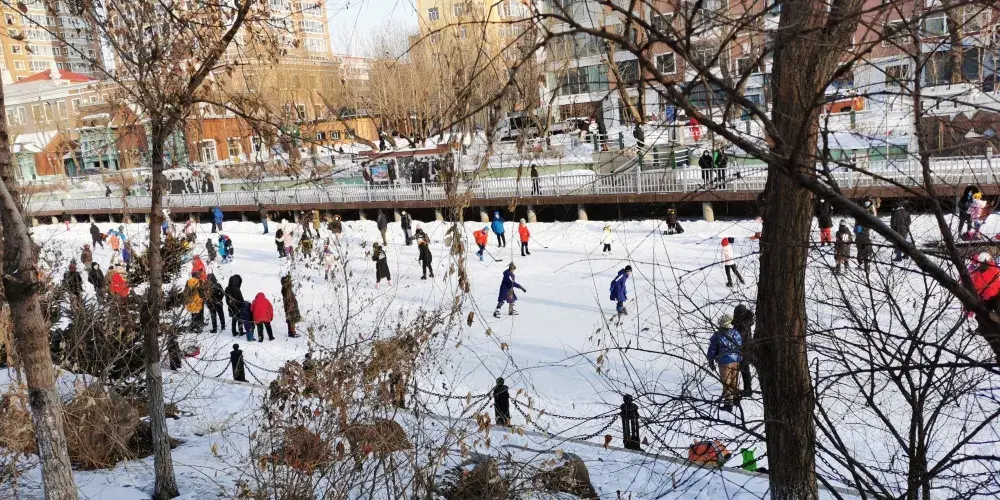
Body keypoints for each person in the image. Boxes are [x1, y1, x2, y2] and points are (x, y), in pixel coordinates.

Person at [707, 314, 743, 413]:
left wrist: (711, 361)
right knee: (734, 380)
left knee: (727, 383)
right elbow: (740, 345)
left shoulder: (717, 335)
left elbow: (712, 350)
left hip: (724, 362)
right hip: (736, 360)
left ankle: (728, 404)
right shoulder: (736, 333)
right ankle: (736, 399)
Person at [732, 304, 754, 397]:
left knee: (743, 369)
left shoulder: (742, 324)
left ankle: (747, 390)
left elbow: (740, 337)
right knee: (744, 369)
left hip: (744, 349)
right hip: (746, 349)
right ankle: (747, 389)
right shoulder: (745, 321)